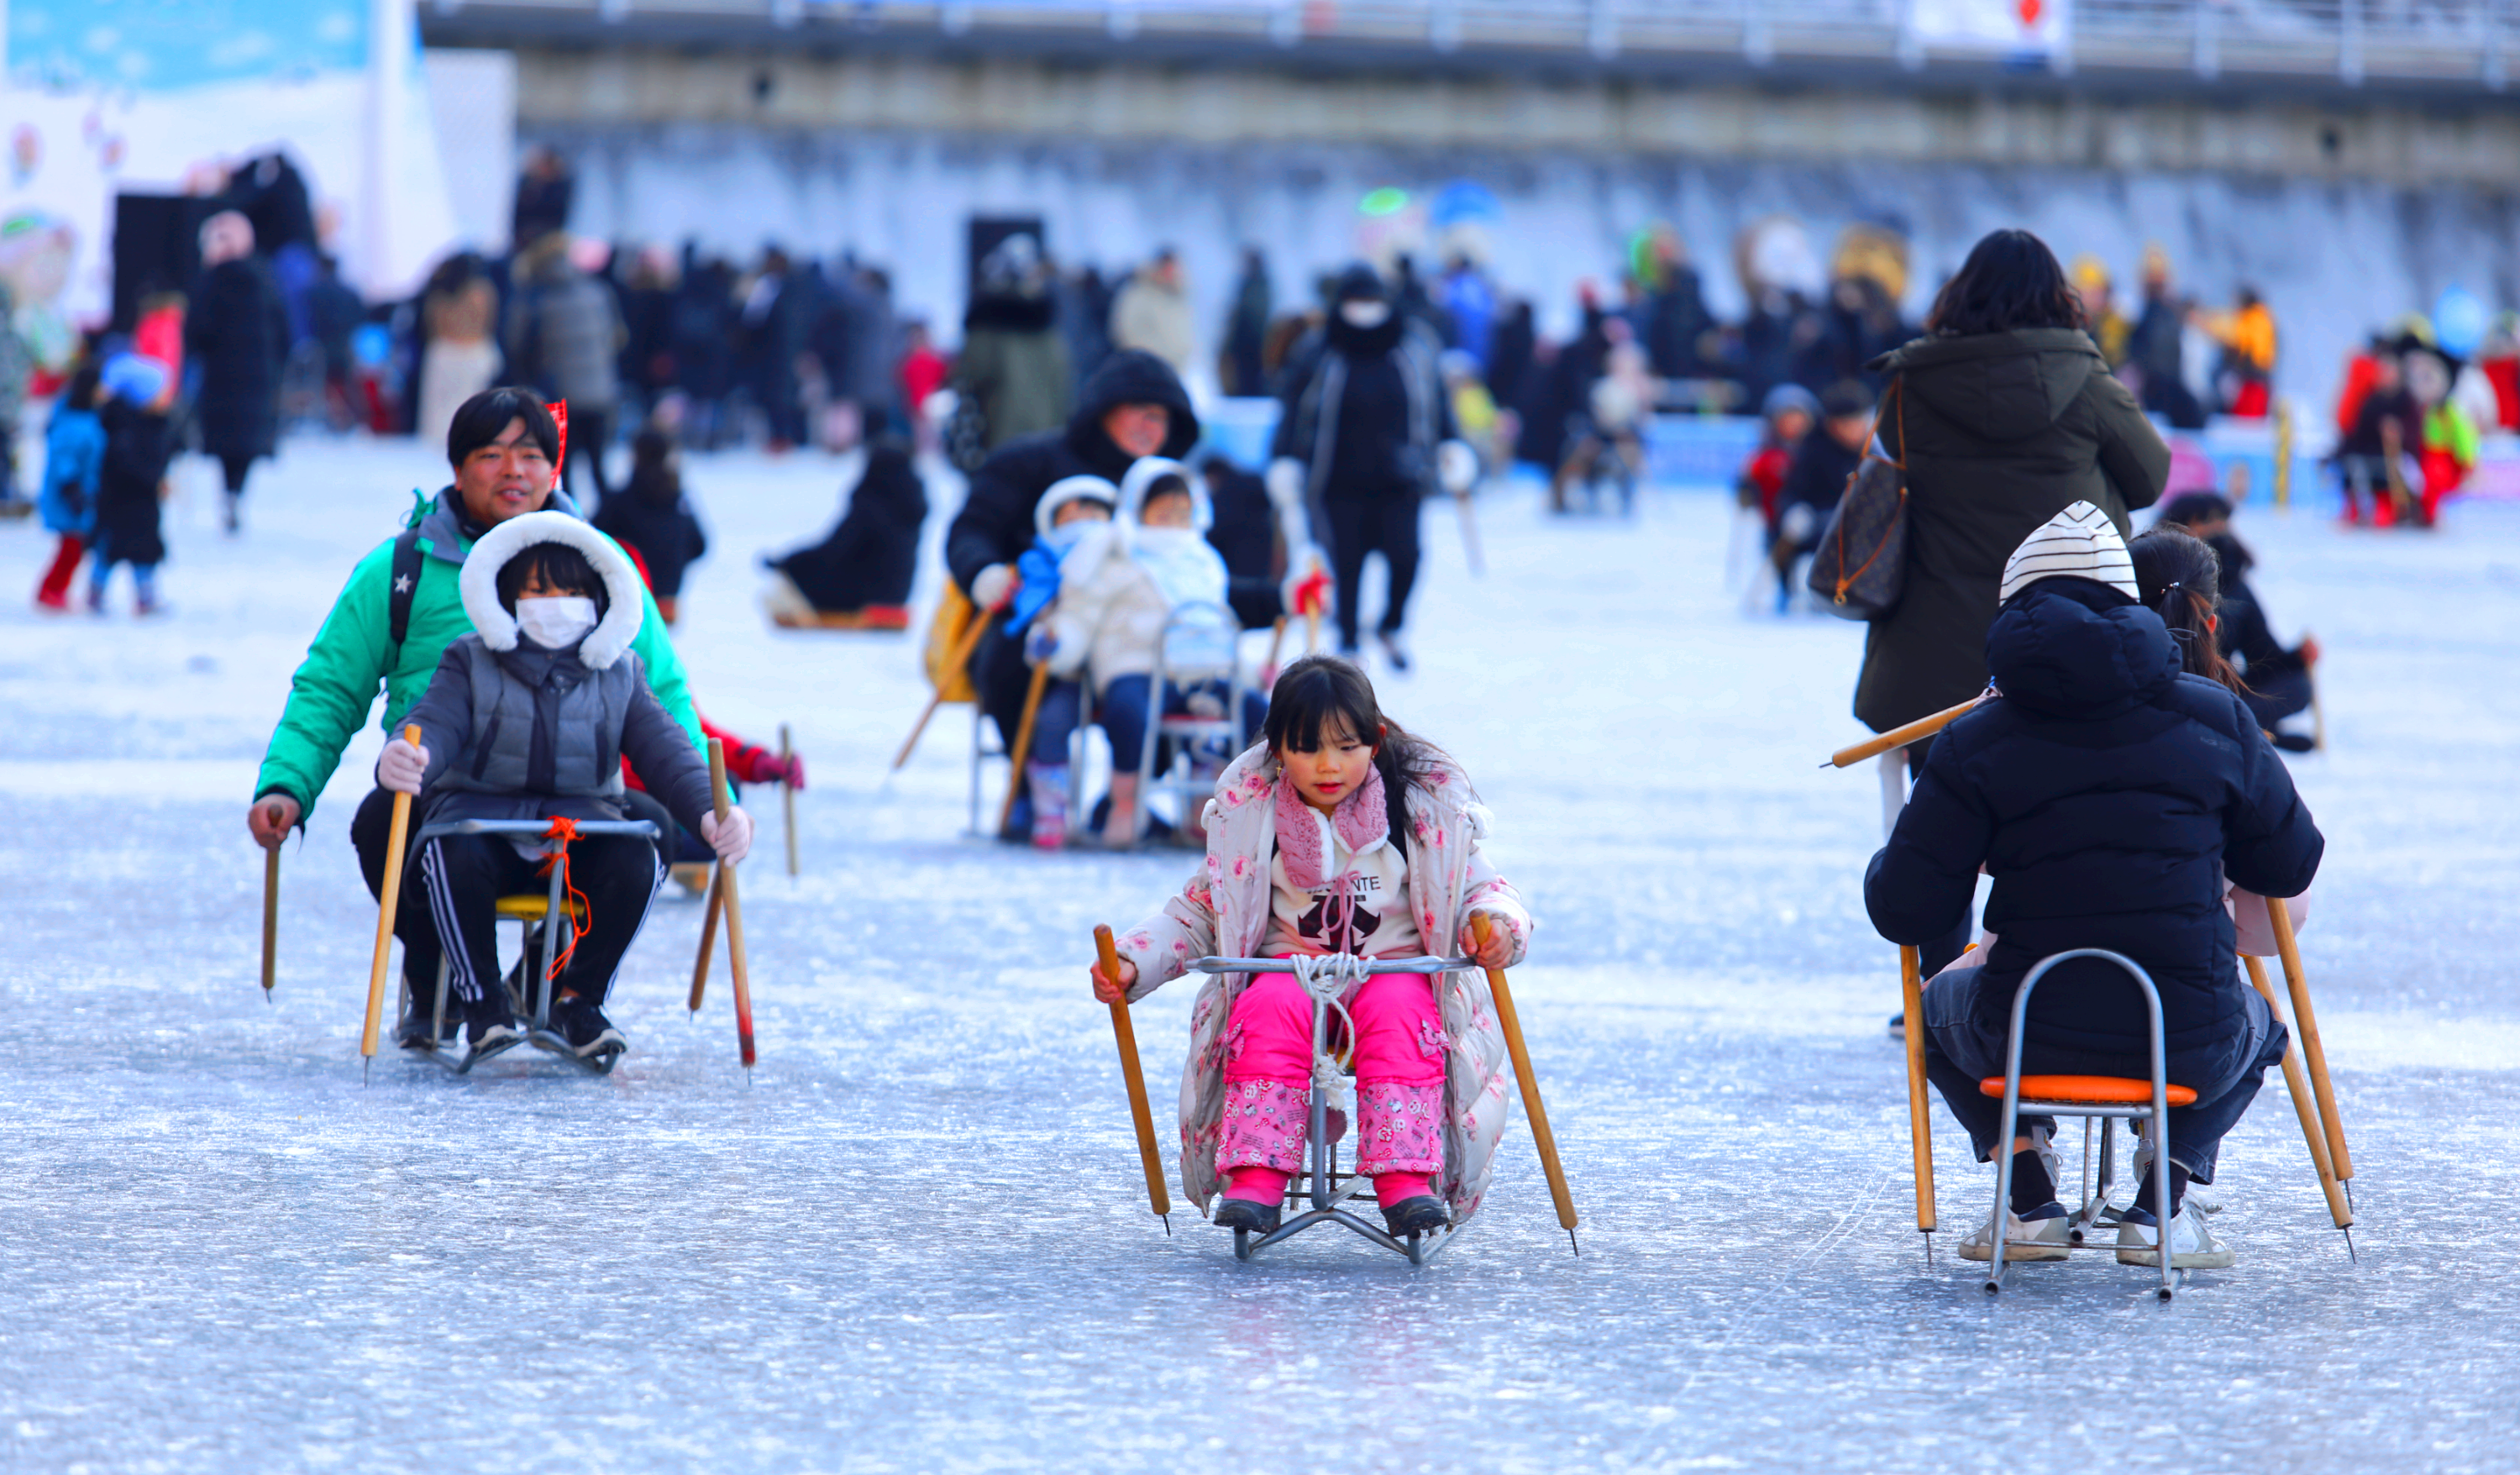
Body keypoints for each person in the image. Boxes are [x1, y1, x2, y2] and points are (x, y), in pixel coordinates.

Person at [1869, 506, 2319, 1268]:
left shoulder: (1976, 736)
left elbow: (1906, 909)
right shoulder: (2218, 717)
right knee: (2261, 1025)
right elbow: (2288, 866)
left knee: (1931, 1011)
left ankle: (2028, 1202)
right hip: (2189, 1036)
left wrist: (1910, 851)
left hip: (2020, 1028)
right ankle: (2160, 1207)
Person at [246, 389, 705, 1044]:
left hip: (573, 799)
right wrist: (287, 785)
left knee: (650, 828)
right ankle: (436, 973)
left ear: (553, 468)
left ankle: (553, 981)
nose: (513, 470)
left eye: (531, 455)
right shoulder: (402, 571)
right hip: (444, 792)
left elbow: (662, 696)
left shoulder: (602, 569)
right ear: (458, 469)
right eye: (491, 455)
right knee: (384, 820)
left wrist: (709, 805)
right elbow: (330, 687)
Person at [1088, 655, 1532, 1239]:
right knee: (1267, 1008)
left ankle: (1405, 1176)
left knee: (1399, 1010)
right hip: (1289, 975)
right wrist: (1132, 961)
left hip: (1395, 975)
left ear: (1374, 742)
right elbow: (1200, 911)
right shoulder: (1252, 822)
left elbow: (1480, 887)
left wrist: (1494, 925)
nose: (1328, 766)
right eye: (1307, 749)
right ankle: (1256, 1173)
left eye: (1347, 748)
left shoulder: (1422, 817)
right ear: (1278, 750)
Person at [1856, 228, 2172, 979]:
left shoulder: (1911, 383)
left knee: (1942, 817)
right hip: (2068, 639)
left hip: (1934, 648)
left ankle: (1936, 985)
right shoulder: (2083, 378)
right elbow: (2151, 477)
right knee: (2070, 802)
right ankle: (2059, 980)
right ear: (2057, 298)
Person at [381, 512, 753, 1064]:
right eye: (538, 590)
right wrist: (411, 753)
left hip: (576, 836)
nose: (556, 603)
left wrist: (713, 810)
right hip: (483, 827)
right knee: (447, 850)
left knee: (639, 853)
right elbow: (435, 722)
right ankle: (482, 1002)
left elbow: (668, 752)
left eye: (572, 591)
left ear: (598, 600)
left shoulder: (620, 671)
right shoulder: (469, 659)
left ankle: (579, 1000)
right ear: (507, 597)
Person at [945, 349, 1200, 838]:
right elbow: (972, 529)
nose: (1149, 426)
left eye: (1161, 417)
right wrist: (985, 573)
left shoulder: (1170, 488)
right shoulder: (1029, 460)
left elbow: (1206, 563)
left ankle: (1123, 800)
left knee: (1190, 680)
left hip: (1134, 633)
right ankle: (1029, 792)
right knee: (1007, 661)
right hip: (1044, 619)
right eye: (1138, 411)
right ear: (1104, 408)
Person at [1026, 459, 1269, 848]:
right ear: (1138, 510)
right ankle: (1125, 803)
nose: (1173, 524)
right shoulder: (1115, 558)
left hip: (1200, 670)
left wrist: (1248, 671)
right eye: (1162, 514)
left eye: (1182, 514)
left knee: (1255, 712)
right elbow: (1080, 617)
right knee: (1129, 713)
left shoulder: (1202, 562)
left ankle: (1223, 805)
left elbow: (1215, 628)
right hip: (1134, 666)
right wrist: (1058, 641)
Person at [1267, 263, 1476, 669]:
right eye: (1356, 301)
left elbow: (1437, 402)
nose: (1364, 309)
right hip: (1337, 478)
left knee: (1407, 556)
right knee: (1346, 561)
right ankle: (1347, 639)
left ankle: (1391, 625)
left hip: (1402, 476)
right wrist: (1284, 458)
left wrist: (1452, 445)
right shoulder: (1319, 350)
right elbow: (1293, 409)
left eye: (1371, 300)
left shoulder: (1414, 346)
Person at [2154, 493, 2318, 746]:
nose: (2221, 530)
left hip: (2222, 690)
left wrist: (2298, 657)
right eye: (2211, 521)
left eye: (2224, 522)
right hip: (2167, 687)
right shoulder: (2155, 574)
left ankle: (2238, 727)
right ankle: (2245, 730)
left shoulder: (2234, 584)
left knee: (2297, 686)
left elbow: (2261, 654)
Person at [184, 211, 288, 535]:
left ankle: (228, 492)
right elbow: (284, 330)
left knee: (225, 444)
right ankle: (237, 493)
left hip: (222, 376)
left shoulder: (211, 282)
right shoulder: (265, 279)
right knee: (247, 444)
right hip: (259, 376)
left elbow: (197, 329)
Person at [507, 234, 627, 509]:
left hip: (560, 393)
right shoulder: (596, 290)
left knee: (562, 468)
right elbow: (618, 338)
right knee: (599, 467)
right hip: (600, 392)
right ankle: (610, 522)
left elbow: (516, 343)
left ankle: (569, 519)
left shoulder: (535, 296)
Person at [764, 441, 929, 620]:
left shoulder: (871, 503)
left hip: (865, 596)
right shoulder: (909, 504)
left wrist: (790, 563)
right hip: (897, 595)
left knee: (804, 578)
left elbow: (834, 549)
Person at [953, 234, 1073, 461]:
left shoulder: (987, 319)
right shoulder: (1046, 322)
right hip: (1046, 436)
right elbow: (1060, 385)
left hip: (999, 432)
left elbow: (971, 377)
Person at [1768, 380, 1871, 613]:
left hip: (1859, 529)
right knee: (1789, 534)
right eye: (1847, 424)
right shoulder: (1812, 450)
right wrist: (1793, 510)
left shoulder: (1873, 453)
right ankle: (1794, 588)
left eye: (1859, 422)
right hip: (1816, 524)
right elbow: (1793, 490)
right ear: (1832, 425)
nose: (1854, 429)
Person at [90, 354, 177, 616]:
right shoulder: (124, 428)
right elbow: (128, 466)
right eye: (161, 392)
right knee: (110, 552)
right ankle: (96, 592)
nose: (167, 397)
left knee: (144, 554)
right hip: (122, 503)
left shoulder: (152, 424)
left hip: (143, 505)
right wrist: (154, 480)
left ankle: (145, 596)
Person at [593, 428, 708, 625]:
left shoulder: (620, 500)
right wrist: (673, 565)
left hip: (626, 596)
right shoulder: (678, 500)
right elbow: (700, 545)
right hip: (667, 599)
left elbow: (592, 539)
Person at [34, 363, 104, 612]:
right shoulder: (72, 421)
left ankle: (55, 590)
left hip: (83, 493)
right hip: (69, 496)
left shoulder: (90, 416)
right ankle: (51, 590)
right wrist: (72, 488)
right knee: (71, 549)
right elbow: (64, 459)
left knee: (74, 548)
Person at [415, 255, 502, 454]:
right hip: (475, 352)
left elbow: (432, 325)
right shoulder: (482, 291)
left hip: (446, 353)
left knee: (441, 413)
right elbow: (489, 321)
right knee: (477, 411)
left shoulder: (440, 294)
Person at [1110, 247, 1196, 380]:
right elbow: (1126, 332)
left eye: (1173, 269)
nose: (1170, 273)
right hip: (1144, 372)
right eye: (1166, 268)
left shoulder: (1178, 299)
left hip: (1176, 373)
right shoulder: (1138, 294)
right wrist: (1154, 359)